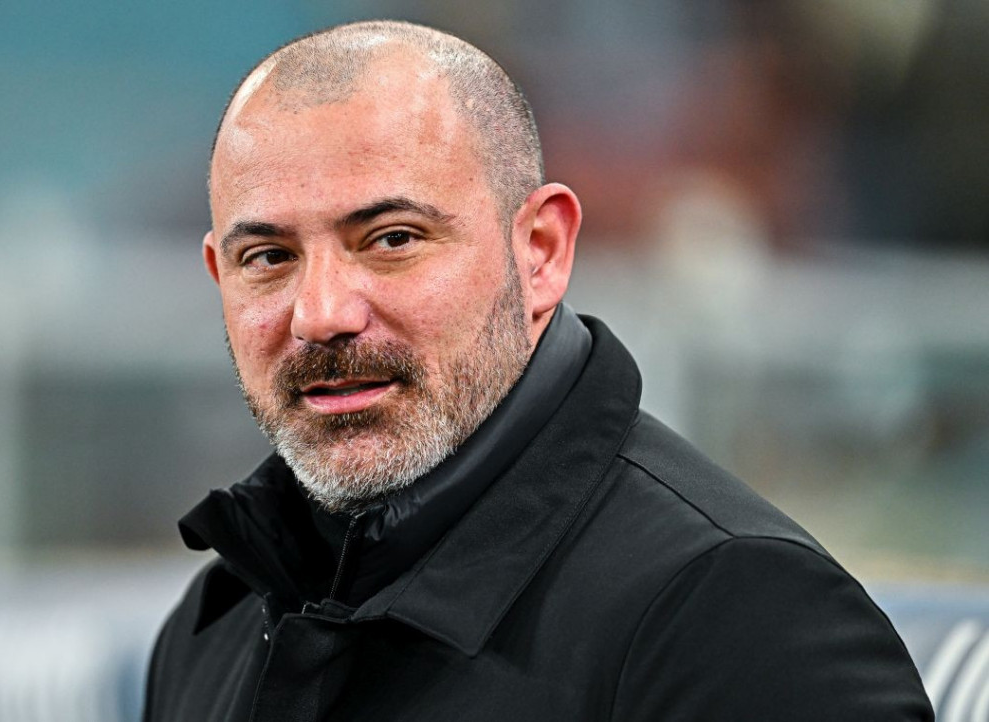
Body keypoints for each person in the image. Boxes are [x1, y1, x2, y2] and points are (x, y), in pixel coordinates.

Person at [143, 20, 933, 721]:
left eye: (392, 239)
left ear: (541, 253)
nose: (320, 314)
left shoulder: (739, 618)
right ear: (218, 278)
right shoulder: (219, 621)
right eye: (268, 257)